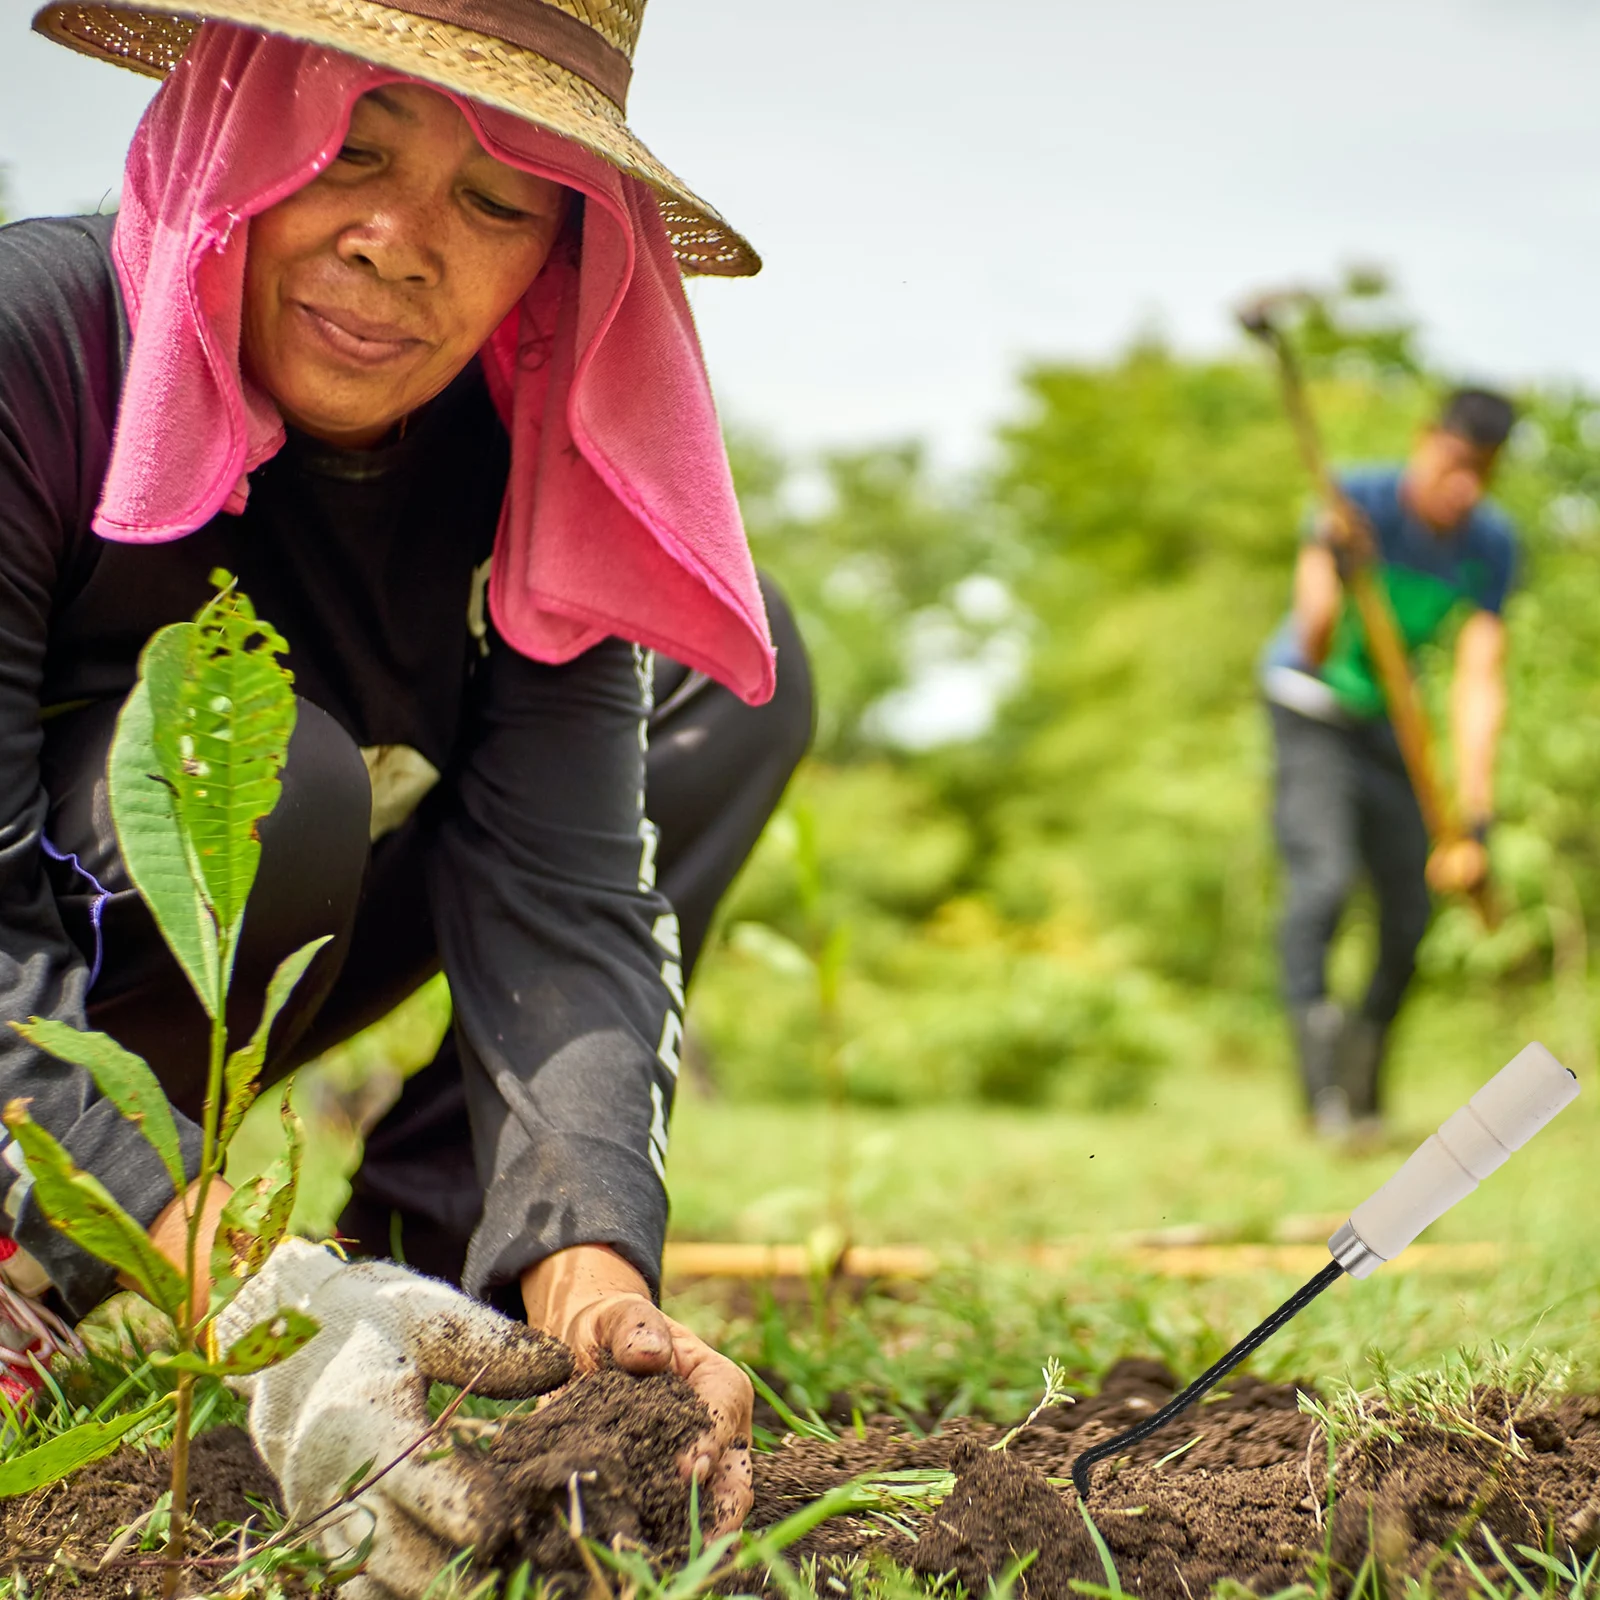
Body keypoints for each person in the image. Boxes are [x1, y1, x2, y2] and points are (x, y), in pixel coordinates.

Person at [0, 1, 813, 1583]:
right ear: (239, 135)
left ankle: (428, 1290)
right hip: (36, 964)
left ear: (562, 254)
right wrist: (264, 1296)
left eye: (495, 200)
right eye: (344, 155)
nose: (397, 243)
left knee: (728, 653)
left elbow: (564, 903)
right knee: (261, 779)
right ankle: (58, 1240)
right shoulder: (36, 348)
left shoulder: (529, 457)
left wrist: (598, 1298)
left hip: (247, 971)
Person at [1260, 388, 1518, 1138]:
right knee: (1325, 880)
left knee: (1409, 913)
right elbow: (1312, 639)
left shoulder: (1490, 544)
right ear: (1425, 440)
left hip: (1390, 728)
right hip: (1309, 705)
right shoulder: (1356, 500)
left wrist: (1473, 814)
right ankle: (1323, 1099)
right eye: (1456, 463)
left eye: (1485, 471)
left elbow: (1479, 679)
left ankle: (1363, 1087)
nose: (1466, 486)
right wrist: (1337, 570)